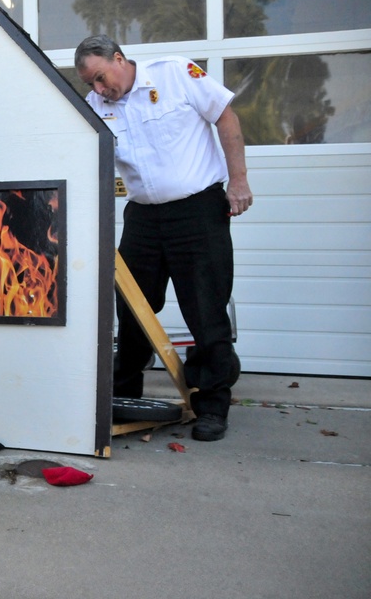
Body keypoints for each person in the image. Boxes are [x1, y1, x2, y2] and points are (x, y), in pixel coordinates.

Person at [74, 35, 253, 442]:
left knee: (206, 307)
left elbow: (225, 116)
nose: (100, 90)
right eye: (91, 84)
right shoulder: (95, 107)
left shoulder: (175, 74)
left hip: (198, 210)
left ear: (119, 59)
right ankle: (123, 396)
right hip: (142, 216)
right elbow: (84, 159)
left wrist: (238, 180)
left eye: (102, 78)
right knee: (132, 307)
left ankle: (212, 405)